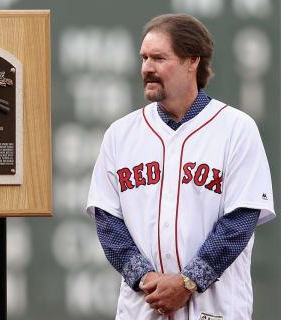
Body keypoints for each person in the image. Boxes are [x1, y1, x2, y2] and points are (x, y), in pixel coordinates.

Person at [86, 13, 275, 320]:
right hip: (142, 308)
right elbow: (108, 222)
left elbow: (240, 220)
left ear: (192, 61)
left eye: (159, 58)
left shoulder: (236, 129)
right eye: (144, 58)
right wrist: (147, 280)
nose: (147, 68)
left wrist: (188, 283)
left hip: (215, 309)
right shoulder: (121, 134)